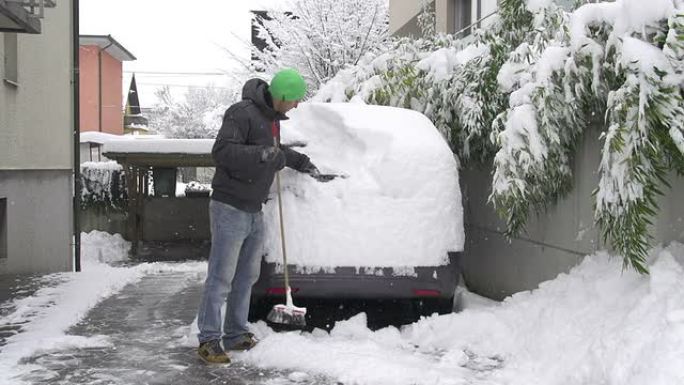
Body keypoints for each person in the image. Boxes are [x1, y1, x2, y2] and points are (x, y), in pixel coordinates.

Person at [196, 68, 322, 363]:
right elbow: (223, 151)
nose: (296, 105)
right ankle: (208, 339)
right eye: (294, 99)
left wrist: (304, 163)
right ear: (280, 96)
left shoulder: (271, 120)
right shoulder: (241, 113)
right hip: (229, 207)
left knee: (247, 276)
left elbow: (277, 151)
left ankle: (236, 333)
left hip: (254, 209)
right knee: (221, 277)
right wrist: (262, 155)